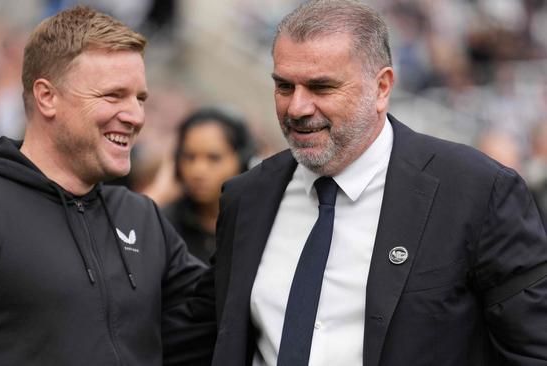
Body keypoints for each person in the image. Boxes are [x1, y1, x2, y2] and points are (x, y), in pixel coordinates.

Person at [207, 1, 547, 365]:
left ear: (382, 87)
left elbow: (532, 350)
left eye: (321, 87)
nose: (297, 108)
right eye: (284, 86)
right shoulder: (246, 197)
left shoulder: (477, 193)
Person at [0, 6, 214, 365]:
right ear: (47, 96)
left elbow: (221, 318)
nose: (136, 116)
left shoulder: (141, 217)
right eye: (113, 95)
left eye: (140, 98)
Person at [163, 108, 255, 265]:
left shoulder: (260, 224)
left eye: (214, 158)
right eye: (189, 157)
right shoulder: (165, 224)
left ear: (242, 161)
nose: (198, 171)